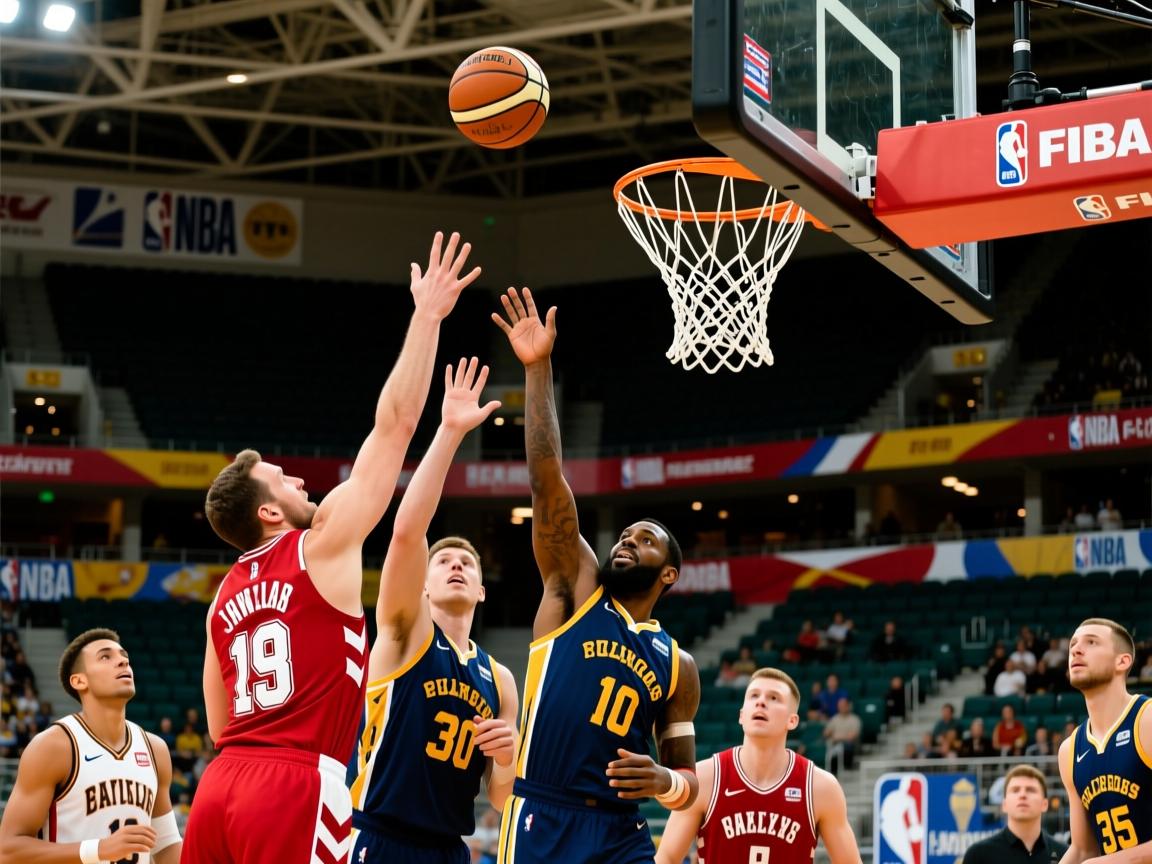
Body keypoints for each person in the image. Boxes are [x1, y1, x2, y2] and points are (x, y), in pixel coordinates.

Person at [182, 231, 482, 864]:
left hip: (219, 789)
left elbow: (215, 727)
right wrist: (427, 316)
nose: (298, 479)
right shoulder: (319, 543)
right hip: (293, 782)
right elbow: (395, 427)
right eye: (281, 481)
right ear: (268, 512)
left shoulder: (220, 602)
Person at [493, 286, 701, 863]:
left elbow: (688, 788)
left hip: (620, 831)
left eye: (648, 539)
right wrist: (539, 370)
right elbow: (546, 479)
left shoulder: (677, 666)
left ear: (671, 576)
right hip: (543, 814)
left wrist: (663, 782)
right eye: (627, 534)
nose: (630, 540)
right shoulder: (576, 587)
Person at [349, 358, 521, 864]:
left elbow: (500, 796)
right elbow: (406, 533)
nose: (456, 566)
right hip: (376, 834)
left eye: (467, 562)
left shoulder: (501, 678)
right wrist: (448, 432)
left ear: (482, 591)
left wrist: (508, 758)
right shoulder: (406, 631)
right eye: (443, 560)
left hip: (450, 848)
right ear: (421, 586)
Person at [0, 629, 182, 863]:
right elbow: (8, 849)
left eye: (124, 656)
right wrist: (98, 850)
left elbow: (166, 844)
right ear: (79, 680)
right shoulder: (55, 746)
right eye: (106, 657)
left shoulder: (155, 749)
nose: (123, 661)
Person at [653, 669, 862, 864]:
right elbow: (667, 857)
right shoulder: (706, 777)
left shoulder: (820, 787)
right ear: (742, 715)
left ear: (793, 720)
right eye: (754, 696)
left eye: (774, 698)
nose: (761, 702)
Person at [1058, 618, 1152, 863]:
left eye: (1091, 642)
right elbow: (1082, 850)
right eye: (1073, 645)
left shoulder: (1147, 720)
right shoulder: (1070, 749)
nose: (1076, 650)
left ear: (1122, 661)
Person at [963, 765, 1068, 864]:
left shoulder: (1065, 855)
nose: (1022, 795)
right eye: (1015, 790)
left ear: (1045, 804)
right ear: (1004, 804)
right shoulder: (978, 855)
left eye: (1030, 790)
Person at [823, 697, 862, 774]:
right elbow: (826, 733)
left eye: (843, 705)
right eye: (840, 706)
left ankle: (847, 768)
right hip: (834, 746)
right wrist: (828, 733)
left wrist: (837, 738)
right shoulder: (834, 719)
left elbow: (852, 737)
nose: (842, 708)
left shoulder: (854, 719)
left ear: (848, 706)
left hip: (847, 746)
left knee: (847, 746)